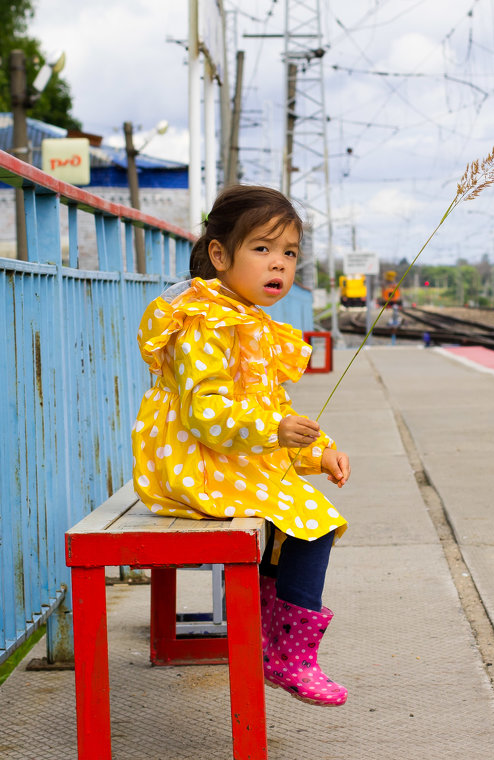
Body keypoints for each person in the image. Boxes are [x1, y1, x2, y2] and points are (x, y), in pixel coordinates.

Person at [130, 185, 351, 707]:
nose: (279, 264)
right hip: (189, 464)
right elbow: (206, 415)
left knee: (295, 514)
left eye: (289, 253)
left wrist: (317, 452)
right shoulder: (204, 323)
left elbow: (271, 411)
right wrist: (274, 433)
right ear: (220, 255)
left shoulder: (245, 321)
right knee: (313, 520)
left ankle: (273, 644)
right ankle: (290, 656)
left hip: (219, 457)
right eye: (262, 249)